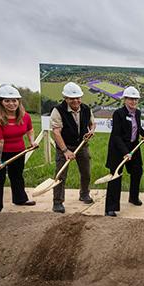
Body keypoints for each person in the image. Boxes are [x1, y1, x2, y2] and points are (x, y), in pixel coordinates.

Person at [0, 85, 37, 211]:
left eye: (14, 100)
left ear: (19, 101)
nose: (11, 104)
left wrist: (32, 142)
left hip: (17, 150)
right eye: (7, 101)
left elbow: (30, 129)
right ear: (0, 102)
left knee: (17, 175)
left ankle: (20, 199)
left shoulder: (25, 116)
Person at [50, 82, 96, 213]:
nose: (75, 101)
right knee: (60, 175)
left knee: (86, 172)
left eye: (78, 98)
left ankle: (84, 194)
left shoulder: (86, 109)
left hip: (82, 145)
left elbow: (93, 124)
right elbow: (56, 132)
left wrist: (91, 131)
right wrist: (65, 151)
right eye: (71, 98)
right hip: (64, 146)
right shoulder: (58, 111)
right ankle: (57, 202)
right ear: (65, 98)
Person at [104, 86, 144, 217]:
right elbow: (116, 135)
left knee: (137, 171)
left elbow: (137, 127)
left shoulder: (138, 113)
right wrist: (125, 151)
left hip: (133, 147)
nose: (133, 102)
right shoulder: (118, 113)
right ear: (125, 100)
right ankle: (110, 208)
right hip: (118, 149)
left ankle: (133, 197)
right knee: (115, 175)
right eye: (130, 99)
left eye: (135, 99)